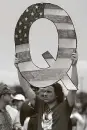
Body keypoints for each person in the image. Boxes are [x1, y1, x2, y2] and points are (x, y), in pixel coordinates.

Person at [15, 52, 78, 130]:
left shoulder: (65, 107)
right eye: (44, 91)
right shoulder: (41, 105)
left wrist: (74, 66)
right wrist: (19, 68)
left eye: (49, 92)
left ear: (57, 94)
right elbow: (26, 88)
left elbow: (73, 89)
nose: (44, 94)